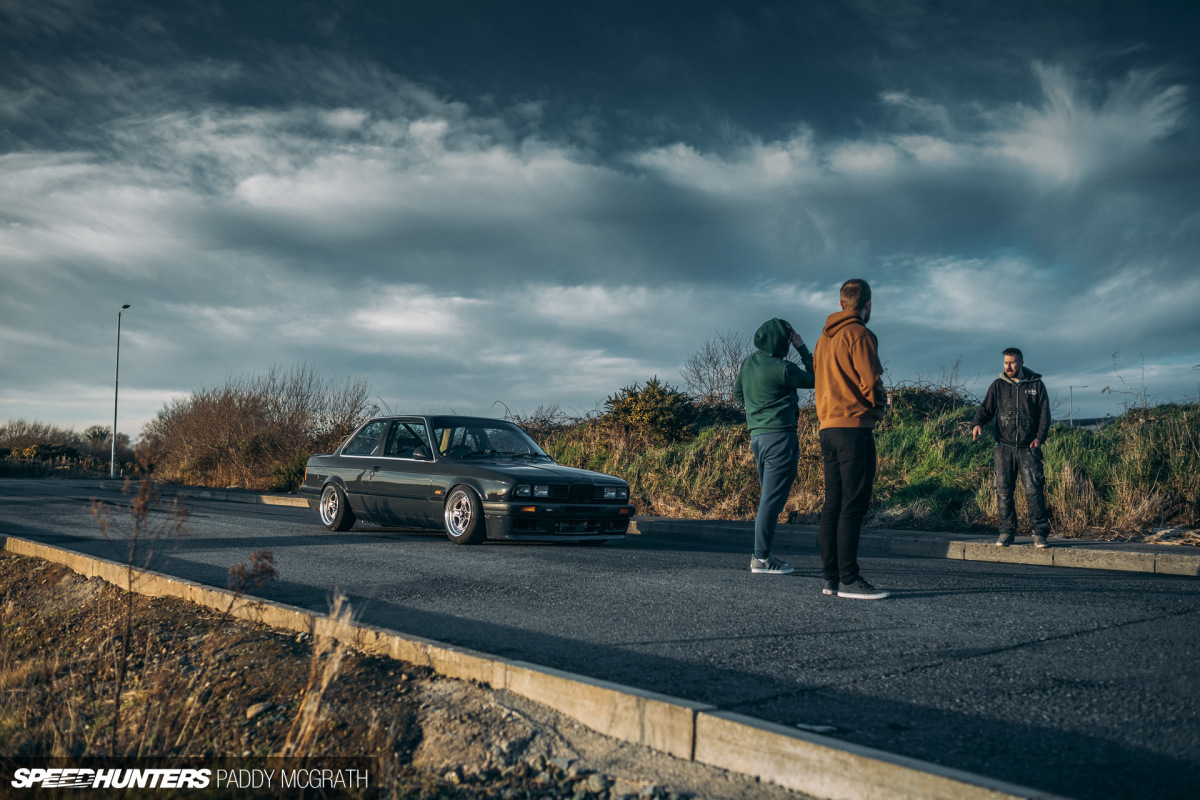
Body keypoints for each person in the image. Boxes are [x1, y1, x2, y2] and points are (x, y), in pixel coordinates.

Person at [814, 279, 889, 600]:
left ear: (841, 303)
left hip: (827, 428)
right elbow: (871, 381)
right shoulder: (859, 334)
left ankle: (831, 579)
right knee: (852, 506)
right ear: (867, 304)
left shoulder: (823, 339)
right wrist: (880, 407)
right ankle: (849, 579)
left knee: (832, 504)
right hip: (854, 428)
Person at [733, 318, 815, 574]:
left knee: (769, 498)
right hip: (780, 437)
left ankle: (763, 554)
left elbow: (738, 394)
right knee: (771, 501)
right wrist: (802, 348)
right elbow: (816, 379)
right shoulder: (783, 368)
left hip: (757, 437)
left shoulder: (749, 363)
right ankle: (761, 557)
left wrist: (758, 410)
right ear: (782, 342)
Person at [972, 347, 1052, 548]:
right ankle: (1006, 532)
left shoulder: (1036, 385)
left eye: (1013, 362)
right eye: (1006, 363)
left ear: (1021, 363)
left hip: (1029, 448)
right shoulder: (998, 386)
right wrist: (977, 423)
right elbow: (986, 409)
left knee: (1034, 491)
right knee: (1004, 492)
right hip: (1004, 447)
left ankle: (1039, 534)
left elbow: (1044, 414)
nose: (1009, 366)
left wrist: (1039, 438)